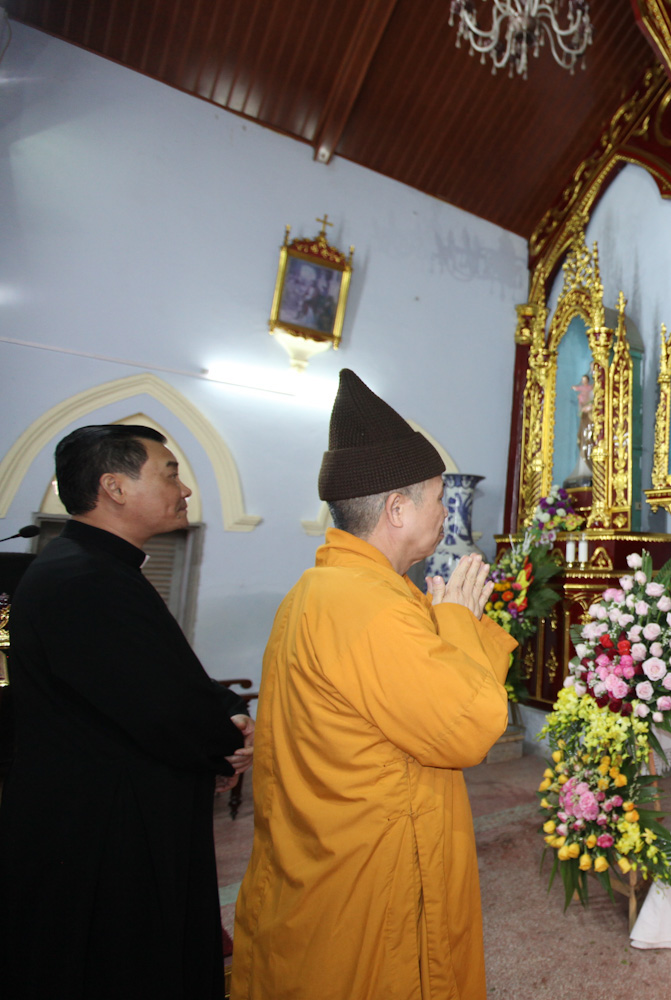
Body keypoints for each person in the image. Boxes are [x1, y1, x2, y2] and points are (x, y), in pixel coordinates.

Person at [232, 370, 514, 1000]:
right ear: (396, 509)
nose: (447, 511)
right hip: (370, 888)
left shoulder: (320, 590)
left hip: (320, 866)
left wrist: (444, 627)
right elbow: (466, 725)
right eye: (439, 497)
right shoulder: (369, 606)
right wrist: (460, 622)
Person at [0, 424, 252, 1000]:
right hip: (100, 832)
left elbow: (163, 672)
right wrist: (226, 740)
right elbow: (159, 706)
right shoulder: (85, 579)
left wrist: (227, 712)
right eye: (168, 472)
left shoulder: (95, 569)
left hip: (108, 811)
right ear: (114, 487)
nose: (184, 488)